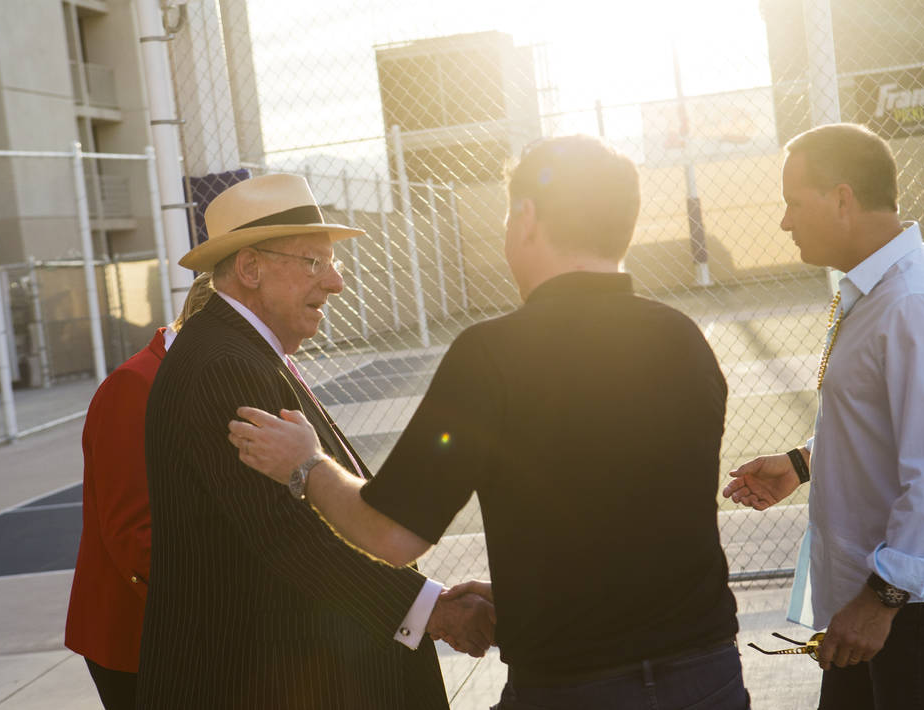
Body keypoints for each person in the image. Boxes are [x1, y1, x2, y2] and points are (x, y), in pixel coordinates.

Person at [229, 136, 749, 710]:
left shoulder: (494, 354)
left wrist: (307, 464)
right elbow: (635, 522)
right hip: (709, 673)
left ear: (525, 218)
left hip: (573, 683)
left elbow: (391, 535)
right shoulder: (684, 340)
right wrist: (529, 595)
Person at [137, 173, 493, 710]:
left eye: (335, 264)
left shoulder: (237, 351)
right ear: (251, 268)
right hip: (265, 679)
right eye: (314, 262)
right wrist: (431, 611)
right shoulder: (225, 366)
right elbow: (284, 537)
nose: (335, 283)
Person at [723, 123, 924, 709]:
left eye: (793, 203)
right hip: (889, 600)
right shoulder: (886, 290)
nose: (784, 221)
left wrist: (882, 599)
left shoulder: (916, 302)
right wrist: (802, 464)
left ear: (841, 198)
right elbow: (890, 424)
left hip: (915, 608)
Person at [64, 271, 214, 710]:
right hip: (140, 637)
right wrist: (216, 621)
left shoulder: (206, 375)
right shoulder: (136, 384)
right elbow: (134, 532)